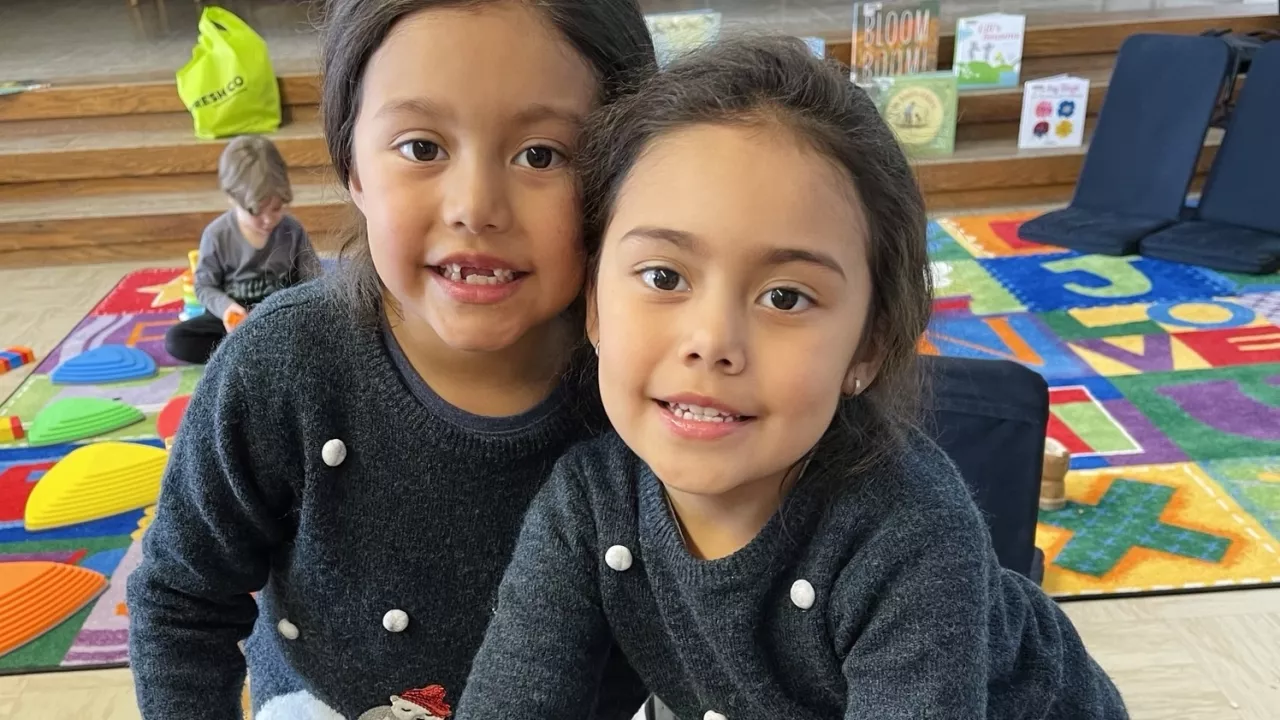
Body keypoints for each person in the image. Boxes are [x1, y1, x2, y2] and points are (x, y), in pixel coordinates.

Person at [455, 36, 1128, 720]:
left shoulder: (910, 533)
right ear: (596, 305)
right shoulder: (589, 504)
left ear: (868, 346)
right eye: (664, 277)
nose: (712, 342)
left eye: (785, 298)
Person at [126, 1, 656, 719]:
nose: (475, 207)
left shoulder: (659, 380)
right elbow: (181, 599)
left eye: (542, 154)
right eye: (421, 147)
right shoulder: (283, 364)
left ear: (626, 174)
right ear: (353, 168)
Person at [164, 135, 320, 364]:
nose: (268, 220)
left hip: (280, 318)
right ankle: (248, 354)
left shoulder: (292, 230)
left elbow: (313, 280)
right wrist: (227, 309)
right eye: (256, 211)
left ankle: (251, 354)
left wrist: (295, 310)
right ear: (231, 198)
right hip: (232, 323)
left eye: (276, 208)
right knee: (177, 340)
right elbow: (205, 286)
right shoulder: (217, 235)